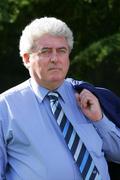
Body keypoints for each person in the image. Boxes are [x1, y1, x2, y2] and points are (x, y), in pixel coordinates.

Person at [0, 17, 120, 180]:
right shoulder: (5, 107)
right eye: (46, 51)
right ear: (27, 58)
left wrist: (99, 119)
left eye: (62, 51)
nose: (55, 59)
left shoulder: (87, 97)